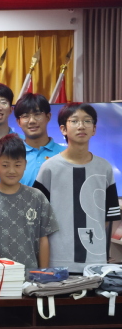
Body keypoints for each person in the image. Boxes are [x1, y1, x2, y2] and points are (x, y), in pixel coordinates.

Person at [34, 103, 120, 273]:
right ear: (63, 129)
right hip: (57, 260)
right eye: (74, 121)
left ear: (94, 129)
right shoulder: (49, 168)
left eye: (87, 121)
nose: (81, 126)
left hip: (95, 261)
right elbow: (39, 219)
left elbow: (109, 218)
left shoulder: (104, 168)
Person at [0, 134, 58, 270]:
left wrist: (43, 273)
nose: (12, 170)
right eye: (5, 165)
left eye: (17, 165)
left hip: (29, 275)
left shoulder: (37, 197)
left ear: (25, 165)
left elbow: (43, 238)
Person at [13, 93, 64, 186]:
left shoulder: (65, 154)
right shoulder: (11, 157)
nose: (32, 121)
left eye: (37, 114)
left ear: (48, 117)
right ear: (18, 122)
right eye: (25, 116)